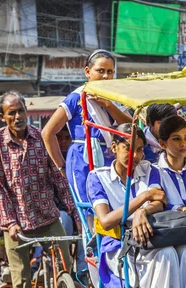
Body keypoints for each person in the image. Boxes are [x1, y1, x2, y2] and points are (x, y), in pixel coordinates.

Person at [87, 124, 186, 288]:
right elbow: (107, 219)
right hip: (120, 248)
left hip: (151, 238)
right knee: (166, 256)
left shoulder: (149, 169)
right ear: (114, 147)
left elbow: (159, 201)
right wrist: (142, 200)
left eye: (140, 150)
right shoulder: (97, 178)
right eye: (129, 149)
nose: (136, 156)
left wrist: (142, 211)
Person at [0, 92, 78, 288]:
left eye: (20, 111)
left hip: (47, 215)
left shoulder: (41, 137)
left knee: (64, 267)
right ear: (2, 116)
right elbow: (0, 188)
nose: (17, 117)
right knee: (21, 277)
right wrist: (11, 222)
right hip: (16, 223)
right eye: (11, 113)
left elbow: (58, 179)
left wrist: (73, 211)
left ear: (27, 110)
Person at [42, 49, 132, 204]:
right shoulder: (76, 98)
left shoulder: (115, 99)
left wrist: (108, 105)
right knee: (90, 208)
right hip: (82, 160)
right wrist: (61, 167)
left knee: (114, 206)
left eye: (110, 72)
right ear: (87, 72)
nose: (106, 76)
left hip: (112, 157)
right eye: (100, 71)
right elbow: (47, 133)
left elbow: (131, 127)